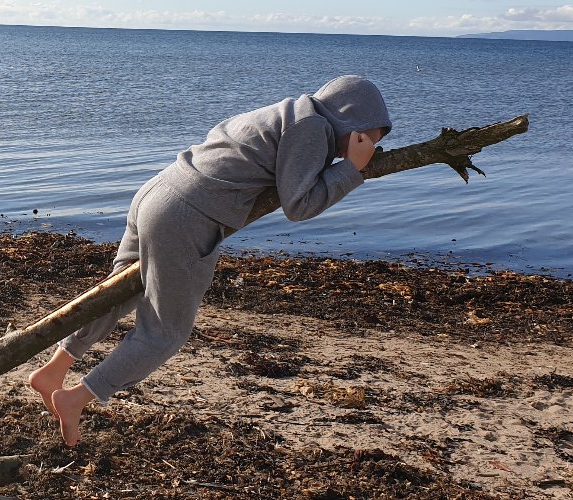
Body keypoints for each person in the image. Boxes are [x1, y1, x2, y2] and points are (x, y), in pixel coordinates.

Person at [28, 75, 391, 446]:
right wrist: (351, 169)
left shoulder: (288, 112)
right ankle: (76, 398)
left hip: (159, 191)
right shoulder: (313, 129)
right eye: (370, 138)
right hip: (183, 217)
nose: (372, 147)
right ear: (350, 120)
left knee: (119, 292)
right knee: (165, 332)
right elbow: (299, 205)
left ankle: (54, 370)